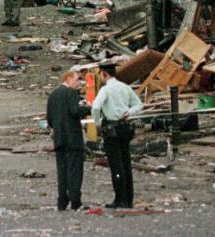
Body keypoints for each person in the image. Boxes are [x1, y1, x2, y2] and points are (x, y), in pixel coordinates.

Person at [91, 62, 144, 208]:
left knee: (116, 165)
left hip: (111, 128)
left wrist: (97, 123)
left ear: (104, 74)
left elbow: (95, 107)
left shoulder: (106, 89)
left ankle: (120, 198)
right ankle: (128, 198)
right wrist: (129, 112)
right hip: (125, 127)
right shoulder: (125, 87)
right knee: (126, 162)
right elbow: (139, 104)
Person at [47, 70, 91, 211]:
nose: (79, 83)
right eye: (77, 79)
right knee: (74, 171)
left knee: (62, 171)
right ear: (68, 78)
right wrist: (89, 108)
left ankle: (62, 201)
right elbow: (74, 111)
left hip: (59, 139)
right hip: (72, 138)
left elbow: (49, 119)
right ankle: (75, 201)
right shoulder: (71, 93)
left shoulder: (53, 95)